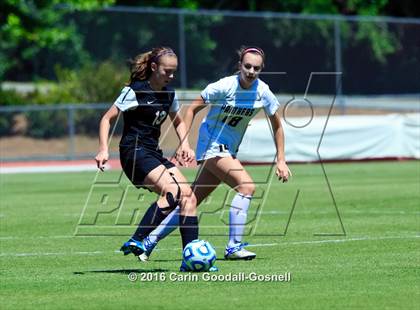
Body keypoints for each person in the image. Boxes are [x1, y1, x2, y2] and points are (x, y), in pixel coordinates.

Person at [134, 46, 291, 262]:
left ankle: (150, 240)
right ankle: (233, 247)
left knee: (191, 200)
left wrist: (281, 160)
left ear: (261, 69)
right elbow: (191, 109)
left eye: (256, 68)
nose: (251, 71)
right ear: (239, 66)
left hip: (228, 149)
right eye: (247, 66)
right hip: (212, 145)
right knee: (247, 187)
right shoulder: (224, 86)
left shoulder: (263, 91)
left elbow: (278, 125)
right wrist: (184, 143)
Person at [94, 47, 201, 270]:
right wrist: (104, 149)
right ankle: (138, 238)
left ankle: (190, 260)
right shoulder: (135, 91)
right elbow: (107, 119)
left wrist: (185, 144)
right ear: (154, 67)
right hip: (133, 153)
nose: (171, 76)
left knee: (189, 198)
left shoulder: (169, 94)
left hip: (153, 153)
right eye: (167, 71)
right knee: (172, 192)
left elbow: (179, 121)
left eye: (174, 72)